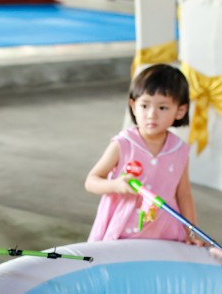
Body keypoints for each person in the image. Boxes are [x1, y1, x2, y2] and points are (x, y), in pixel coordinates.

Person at [84, 64, 201, 244]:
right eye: (145, 105)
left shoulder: (179, 150)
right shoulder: (123, 144)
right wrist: (115, 185)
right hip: (123, 230)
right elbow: (91, 181)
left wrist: (191, 231)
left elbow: (184, 194)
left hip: (164, 231)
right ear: (133, 105)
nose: (152, 115)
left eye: (162, 108)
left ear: (180, 111)